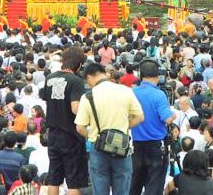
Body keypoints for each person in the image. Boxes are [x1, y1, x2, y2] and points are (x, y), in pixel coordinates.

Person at [75, 62, 144, 195]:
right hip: (122, 147)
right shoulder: (125, 91)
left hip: (98, 147)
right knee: (122, 188)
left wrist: (93, 136)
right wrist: (125, 126)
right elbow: (140, 117)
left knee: (100, 189)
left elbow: (80, 128)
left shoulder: (88, 97)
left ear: (89, 77)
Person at [39, 47, 88, 195]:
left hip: (52, 134)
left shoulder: (50, 78)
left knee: (54, 178)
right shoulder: (76, 81)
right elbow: (75, 108)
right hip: (71, 135)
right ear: (78, 64)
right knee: (73, 181)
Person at [130, 59, 176, 195]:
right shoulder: (159, 95)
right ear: (158, 76)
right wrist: (173, 115)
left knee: (134, 184)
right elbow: (167, 119)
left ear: (140, 74)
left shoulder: (132, 93)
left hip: (136, 145)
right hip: (156, 147)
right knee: (154, 187)